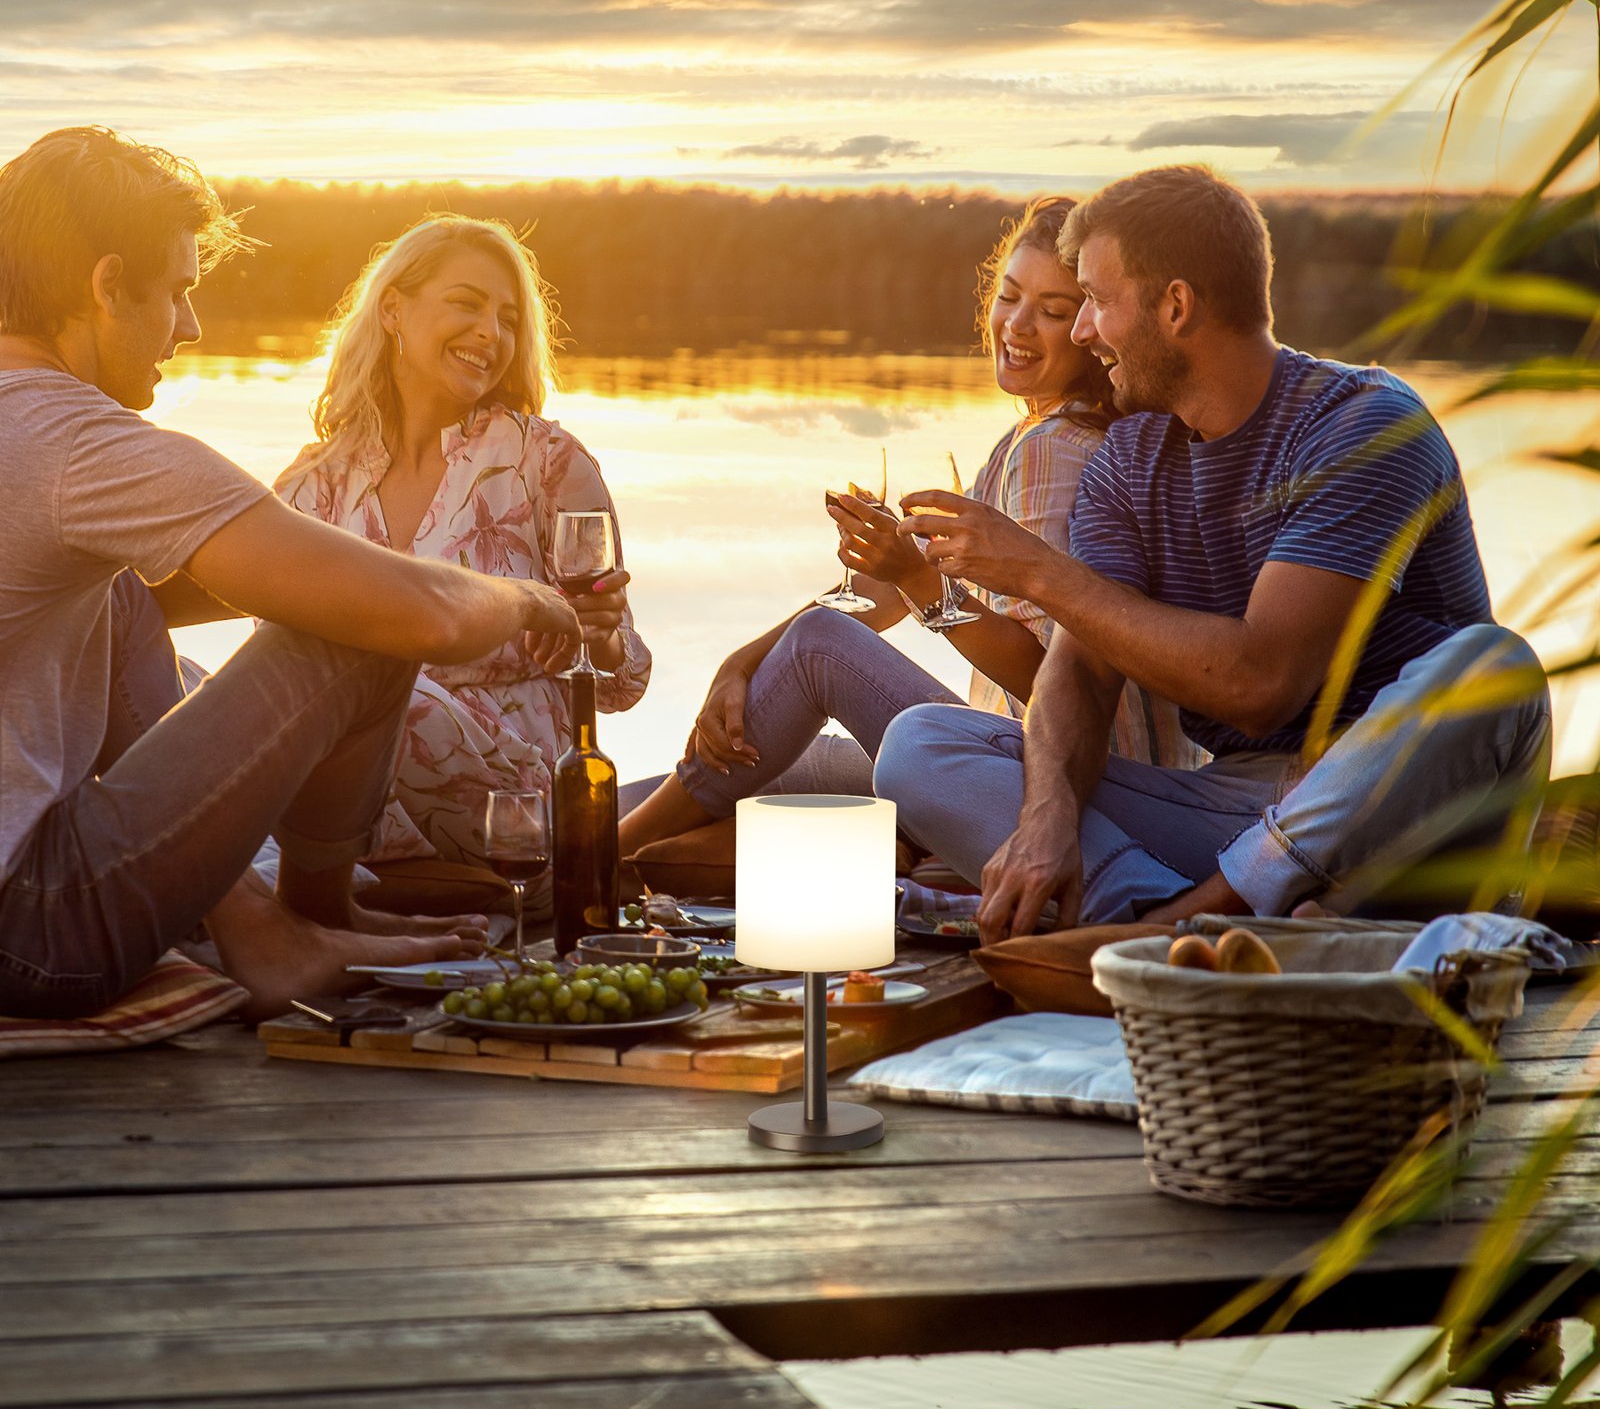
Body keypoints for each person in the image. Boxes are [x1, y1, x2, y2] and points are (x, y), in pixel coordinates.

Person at [878, 164, 1552, 943]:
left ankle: (1179, 925)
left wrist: (1035, 570)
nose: (1084, 332)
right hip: (1228, 811)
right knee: (921, 745)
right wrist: (1046, 821)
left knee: (1492, 670)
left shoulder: (1364, 427)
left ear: (1175, 306)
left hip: (1403, 822)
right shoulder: (1131, 456)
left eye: (1094, 300)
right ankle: (1178, 927)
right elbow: (1083, 673)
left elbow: (1261, 683)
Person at [0, 126, 582, 1022]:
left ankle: (258, 925)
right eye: (177, 292)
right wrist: (529, 598)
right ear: (107, 284)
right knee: (361, 628)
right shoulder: (78, 445)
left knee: (114, 593)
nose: (189, 328)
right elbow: (416, 617)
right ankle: (311, 915)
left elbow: (170, 594)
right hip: (33, 932)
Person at [618, 197, 1201, 863]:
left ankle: (598, 865)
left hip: (1063, 792)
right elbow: (879, 592)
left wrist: (918, 580)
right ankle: (614, 853)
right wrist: (739, 664)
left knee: (817, 650)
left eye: (1054, 311)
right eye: (1009, 297)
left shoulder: (1055, 450)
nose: (1017, 325)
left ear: (1094, 329)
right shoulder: (1038, 436)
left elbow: (1055, 679)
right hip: (1022, 764)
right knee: (795, 767)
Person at [275, 216, 649, 869]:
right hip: (351, 798)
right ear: (393, 309)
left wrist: (600, 633)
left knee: (383, 692)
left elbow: (625, 679)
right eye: (467, 304)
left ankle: (401, 886)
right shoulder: (314, 484)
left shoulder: (545, 461)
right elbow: (278, 665)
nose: (491, 333)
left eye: (507, 318)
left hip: (512, 800)